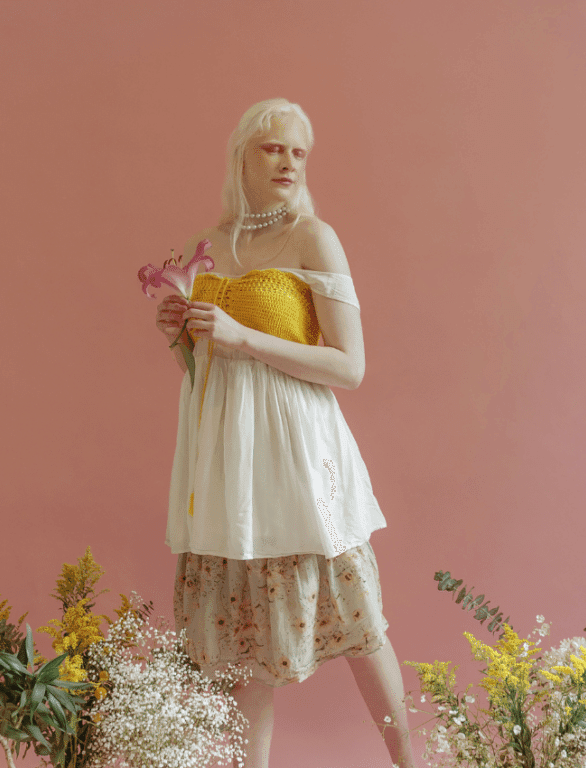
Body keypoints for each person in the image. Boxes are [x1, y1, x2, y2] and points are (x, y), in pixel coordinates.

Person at [155, 98, 419, 768]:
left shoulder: (313, 237)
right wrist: (180, 337)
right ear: (241, 154)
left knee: (359, 625)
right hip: (229, 461)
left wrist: (244, 336)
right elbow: (208, 365)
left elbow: (350, 367)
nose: (288, 162)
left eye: (299, 152)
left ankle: (414, 762)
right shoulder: (211, 244)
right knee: (245, 645)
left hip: (298, 455)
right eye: (274, 148)